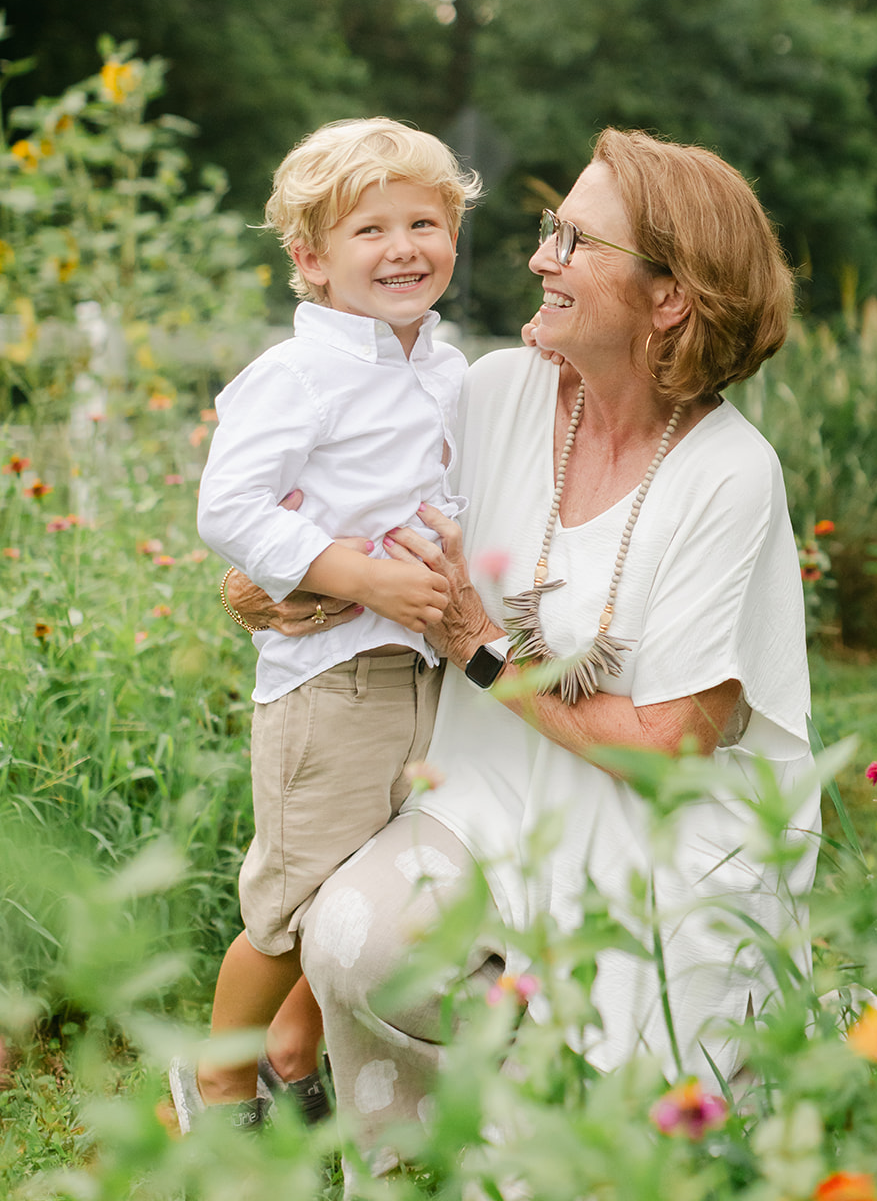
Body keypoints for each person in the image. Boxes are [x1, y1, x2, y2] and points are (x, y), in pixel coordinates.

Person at [228, 127, 819, 1174]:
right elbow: (330, 485)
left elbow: (665, 749)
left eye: (574, 239)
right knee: (354, 936)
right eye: (550, 229)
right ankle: (404, 1152)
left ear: (667, 297)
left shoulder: (730, 474)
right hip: (485, 796)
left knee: (627, 1141)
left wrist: (479, 645)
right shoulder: (491, 391)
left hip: (656, 839)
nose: (539, 256)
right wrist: (263, 576)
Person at [170, 118, 481, 1131]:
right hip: (330, 678)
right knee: (292, 890)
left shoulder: (449, 369)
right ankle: (217, 1079)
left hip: (422, 677)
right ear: (310, 258)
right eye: (370, 229)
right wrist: (359, 575)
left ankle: (295, 1047)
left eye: (424, 222)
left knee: (370, 875)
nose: (403, 247)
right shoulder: (296, 375)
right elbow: (229, 507)